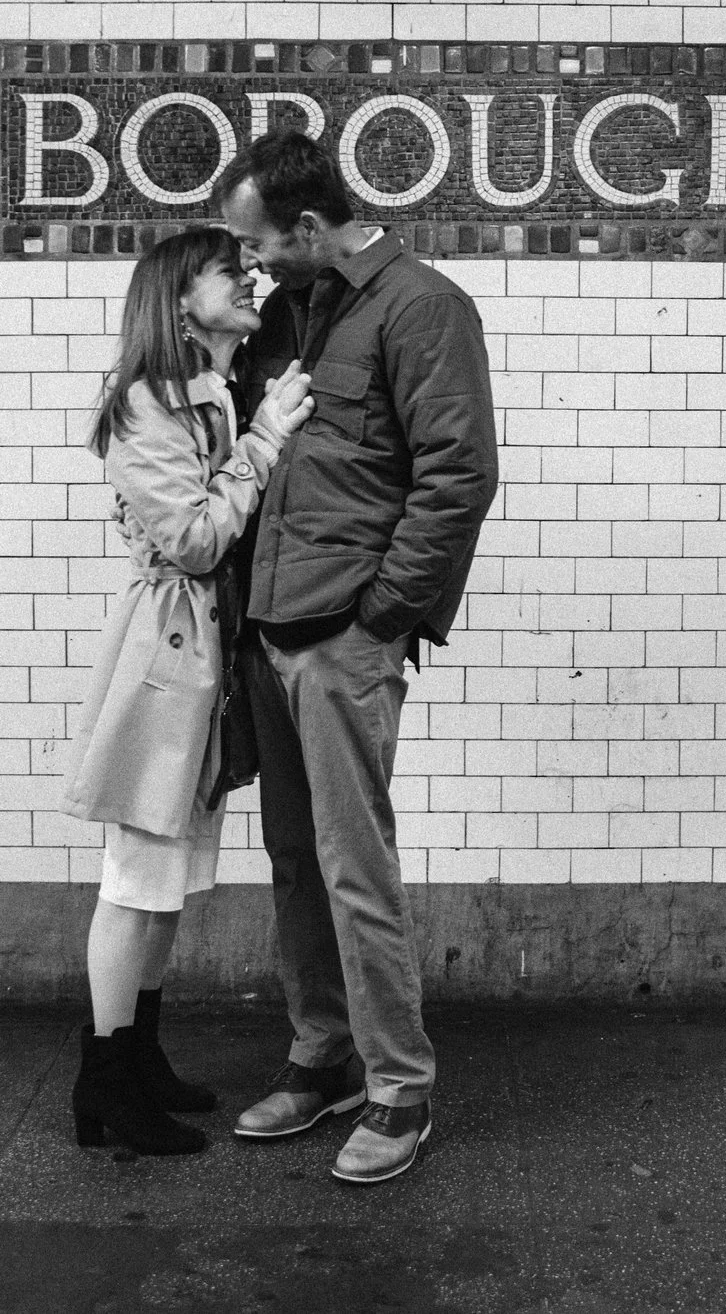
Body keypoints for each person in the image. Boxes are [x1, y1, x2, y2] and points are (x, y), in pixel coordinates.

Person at [217, 130, 500, 1186]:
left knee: (355, 865)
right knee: (297, 860)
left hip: (343, 634)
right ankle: (322, 1053)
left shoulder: (420, 305)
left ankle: (398, 1087)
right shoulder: (288, 311)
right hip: (270, 627)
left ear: (307, 225)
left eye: (259, 244)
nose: (250, 263)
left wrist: (383, 613)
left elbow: (458, 473)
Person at [63, 225, 314, 1157]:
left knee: (165, 876)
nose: (250, 280)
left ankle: (137, 1056)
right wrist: (264, 439)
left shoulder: (203, 393)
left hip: (194, 655)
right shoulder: (143, 405)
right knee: (135, 877)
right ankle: (102, 1079)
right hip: (163, 657)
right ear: (179, 299)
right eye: (229, 272)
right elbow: (200, 539)